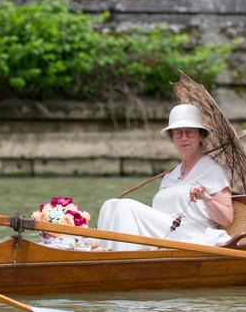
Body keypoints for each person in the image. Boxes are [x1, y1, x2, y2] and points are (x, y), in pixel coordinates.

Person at [96, 103, 234, 251]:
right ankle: (107, 257)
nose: (184, 138)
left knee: (124, 207)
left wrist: (205, 196)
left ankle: (123, 263)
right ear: (172, 138)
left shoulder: (212, 170)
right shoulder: (171, 175)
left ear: (200, 136)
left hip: (190, 235)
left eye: (190, 132)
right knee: (110, 205)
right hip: (163, 233)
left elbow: (226, 218)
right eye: (178, 133)